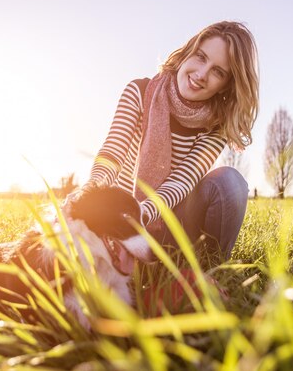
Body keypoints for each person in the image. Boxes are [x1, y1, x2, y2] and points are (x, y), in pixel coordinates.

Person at [70, 21, 259, 260]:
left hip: (173, 226)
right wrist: (92, 189)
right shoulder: (139, 91)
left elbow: (181, 181)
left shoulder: (217, 124)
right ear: (187, 52)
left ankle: (206, 270)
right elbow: (113, 151)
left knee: (231, 182)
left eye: (218, 72)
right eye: (200, 57)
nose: (201, 75)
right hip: (122, 222)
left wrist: (142, 213)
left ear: (226, 86)